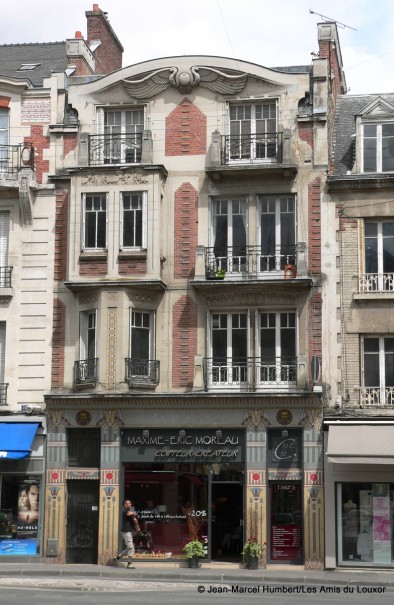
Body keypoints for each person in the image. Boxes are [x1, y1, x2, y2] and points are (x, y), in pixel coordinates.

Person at [114, 499, 140, 568]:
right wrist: (134, 514)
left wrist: (137, 526)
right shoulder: (125, 511)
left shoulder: (129, 512)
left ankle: (117, 558)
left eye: (130, 503)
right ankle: (129, 564)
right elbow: (131, 515)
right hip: (126, 531)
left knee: (129, 547)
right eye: (129, 503)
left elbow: (134, 519)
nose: (130, 504)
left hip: (128, 532)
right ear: (125, 505)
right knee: (131, 548)